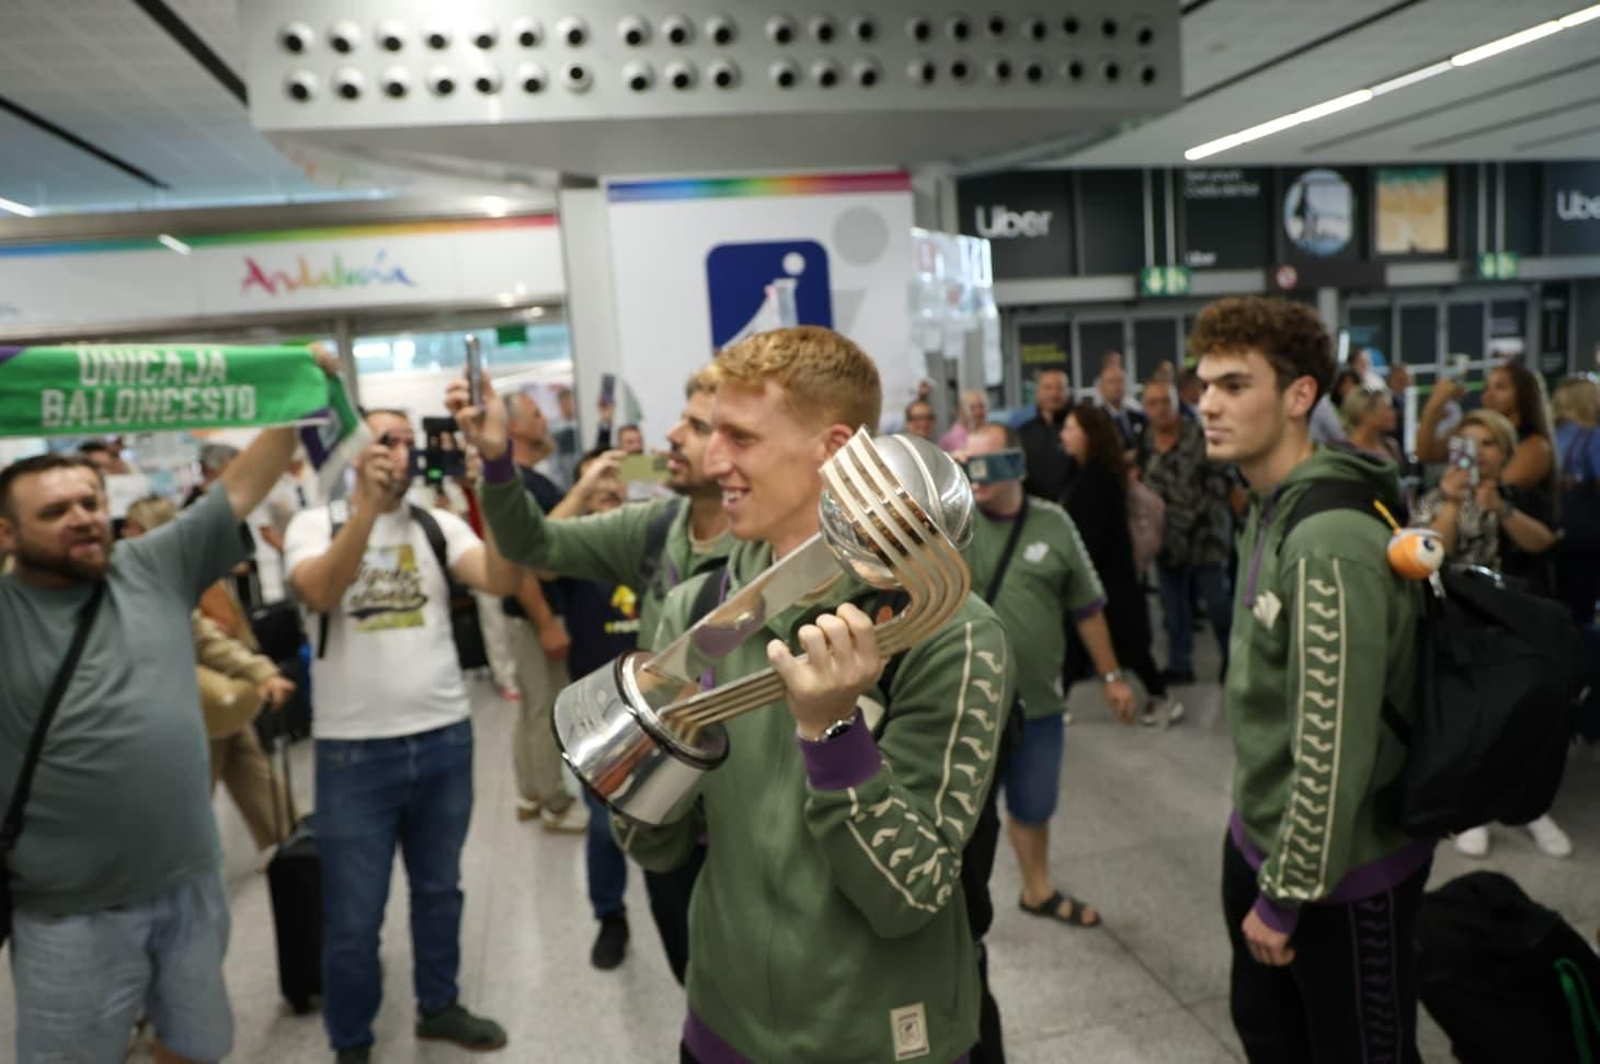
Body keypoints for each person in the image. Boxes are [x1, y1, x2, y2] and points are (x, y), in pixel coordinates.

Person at [469, 326, 1012, 1062]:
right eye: (710, 431)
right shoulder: (696, 607)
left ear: (834, 451)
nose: (710, 457)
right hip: (719, 1025)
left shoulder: (949, 630)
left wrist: (832, 736)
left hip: (877, 1036)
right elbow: (655, 848)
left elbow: (908, 897)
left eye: (740, 437)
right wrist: (641, 761)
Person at [0, 356, 328, 1064]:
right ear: (6, 534)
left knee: (196, 1046)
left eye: (89, 502)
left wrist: (306, 387)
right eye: (54, 512)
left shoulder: (149, 566)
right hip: (67, 912)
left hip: (189, 885)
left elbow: (242, 486)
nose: (82, 520)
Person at [1192, 295, 1434, 1064]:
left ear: (1300, 396)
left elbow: (1332, 749)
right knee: (1275, 1040)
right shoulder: (1270, 507)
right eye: (1205, 385)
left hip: (1339, 881)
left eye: (1234, 385)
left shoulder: (1326, 539)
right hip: (1263, 839)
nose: (1207, 404)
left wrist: (1284, 895)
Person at [459, 366, 735, 985]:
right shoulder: (657, 530)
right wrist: (498, 461)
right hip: (668, 812)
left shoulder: (775, 551)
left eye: (695, 425)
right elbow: (533, 542)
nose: (669, 436)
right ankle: (611, 918)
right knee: (695, 980)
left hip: (746, 825)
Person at [283, 409, 523, 1064]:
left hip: (445, 738)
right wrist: (366, 506)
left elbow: (502, 580)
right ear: (355, 451)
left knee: (441, 890)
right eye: (384, 441)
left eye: (408, 442)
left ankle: (438, 1006)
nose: (400, 452)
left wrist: (487, 488)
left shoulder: (436, 522)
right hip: (353, 753)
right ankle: (353, 1041)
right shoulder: (313, 524)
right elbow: (324, 590)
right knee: (354, 918)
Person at [966, 423, 1136, 934]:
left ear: (1014, 465)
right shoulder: (954, 528)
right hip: (966, 709)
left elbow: (1087, 606)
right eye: (966, 463)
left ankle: (1036, 887)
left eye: (985, 463)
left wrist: (1111, 675)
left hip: (1038, 704)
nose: (974, 476)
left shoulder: (1055, 524)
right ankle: (958, 914)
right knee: (964, 821)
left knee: (1034, 803)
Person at [1409, 409, 1568, 860]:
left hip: (1520, 620)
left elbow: (1542, 542)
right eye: (1466, 444)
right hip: (1459, 623)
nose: (1477, 453)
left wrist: (1504, 508)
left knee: (1527, 713)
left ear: (1506, 451)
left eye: (1487, 444)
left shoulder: (1522, 494)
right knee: (1476, 716)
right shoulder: (1436, 497)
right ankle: (1475, 808)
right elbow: (1430, 553)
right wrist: (1452, 501)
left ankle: (1530, 805)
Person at [123, 495, 298, 854]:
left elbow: (215, 631)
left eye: (131, 526)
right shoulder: (170, 571)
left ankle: (286, 846)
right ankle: (289, 844)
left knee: (197, 786)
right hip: (210, 697)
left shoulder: (172, 575)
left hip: (203, 696)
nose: (122, 533)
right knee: (248, 770)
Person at [558, 448, 642, 970]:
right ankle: (610, 915)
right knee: (601, 822)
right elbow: (530, 547)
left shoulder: (647, 539)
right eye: (599, 480)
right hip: (596, 709)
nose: (611, 486)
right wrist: (583, 490)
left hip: (655, 701)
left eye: (618, 478)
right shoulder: (575, 552)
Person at [1059, 405, 1182, 726]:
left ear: (1089, 435)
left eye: (1071, 429)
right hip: (1106, 580)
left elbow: (1090, 537)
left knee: (1129, 647)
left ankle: (1162, 697)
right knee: (1080, 643)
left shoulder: (1096, 477)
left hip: (1108, 581)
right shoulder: (1087, 472)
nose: (1064, 435)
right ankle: (1059, 701)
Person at [499, 390, 586, 832]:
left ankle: (530, 792)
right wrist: (547, 621)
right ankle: (553, 801)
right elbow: (524, 561)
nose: (544, 420)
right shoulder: (517, 481)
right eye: (535, 414)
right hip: (536, 613)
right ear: (513, 426)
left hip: (532, 614)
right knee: (545, 707)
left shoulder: (528, 476)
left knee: (533, 704)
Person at [1139, 378, 1234, 685]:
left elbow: (1222, 480)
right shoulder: (1145, 442)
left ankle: (1232, 661)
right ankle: (1180, 664)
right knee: (1173, 609)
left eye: (1165, 401)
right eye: (1152, 403)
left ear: (1176, 402)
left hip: (1205, 535)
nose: (1160, 409)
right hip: (1167, 540)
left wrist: (1200, 513)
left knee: (1218, 604)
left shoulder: (1199, 435)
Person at [1418, 362, 1556, 499]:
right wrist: (1435, 404)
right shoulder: (1476, 428)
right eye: (1486, 388)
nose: (1489, 395)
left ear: (1524, 393)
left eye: (1500, 387)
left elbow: (1496, 492)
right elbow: (1427, 454)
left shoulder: (1536, 445)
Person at [1553, 377, 1600, 624]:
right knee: (1581, 610)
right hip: (1585, 534)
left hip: (1553, 530)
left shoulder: (1549, 435)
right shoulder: (1592, 437)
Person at [1018, 368, 1074, 502]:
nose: (1054, 394)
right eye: (1048, 388)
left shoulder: (1081, 429)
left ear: (1068, 392)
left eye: (1060, 388)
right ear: (1037, 392)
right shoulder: (1024, 432)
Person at [1093, 361, 1147, 454]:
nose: (1116, 386)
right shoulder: (1094, 420)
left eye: (1120, 381)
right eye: (1111, 381)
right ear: (1101, 388)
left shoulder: (1140, 417)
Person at [1340, 387, 1403, 465]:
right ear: (1365, 415)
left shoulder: (1391, 446)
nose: (1393, 413)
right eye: (1386, 408)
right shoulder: (1345, 453)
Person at [1308, 367, 1361, 446]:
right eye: (1346, 384)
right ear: (1338, 385)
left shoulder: (1351, 409)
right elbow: (1341, 438)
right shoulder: (1325, 405)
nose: (1350, 389)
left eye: (1353, 385)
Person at [939, 388, 989, 454]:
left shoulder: (988, 431)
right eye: (972, 407)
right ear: (960, 410)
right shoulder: (954, 437)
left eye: (981, 406)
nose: (978, 412)